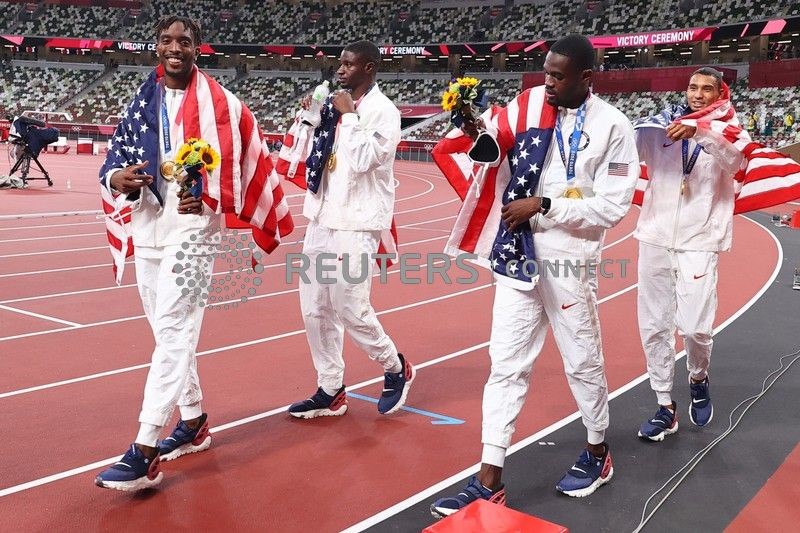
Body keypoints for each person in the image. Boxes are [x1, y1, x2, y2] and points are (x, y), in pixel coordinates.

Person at [430, 34, 639, 517]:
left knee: (582, 360)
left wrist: (543, 206)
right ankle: (490, 477)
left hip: (570, 260)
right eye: (544, 72)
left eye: (557, 76)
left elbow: (612, 206)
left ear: (586, 78)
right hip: (519, 255)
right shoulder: (530, 107)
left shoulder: (613, 127)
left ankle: (596, 449)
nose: (546, 82)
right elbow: (493, 147)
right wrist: (472, 125)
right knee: (505, 364)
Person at [95, 15, 292, 491]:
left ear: (198, 48)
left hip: (194, 230)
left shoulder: (224, 105)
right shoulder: (142, 101)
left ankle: (144, 448)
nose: (174, 47)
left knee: (175, 331)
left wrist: (210, 197)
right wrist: (113, 178)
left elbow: (249, 163)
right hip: (148, 223)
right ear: (157, 47)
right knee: (165, 329)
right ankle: (193, 420)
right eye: (166, 40)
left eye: (184, 41)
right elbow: (115, 159)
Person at [287, 41, 414, 419]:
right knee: (314, 309)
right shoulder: (332, 106)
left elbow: (362, 159)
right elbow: (307, 154)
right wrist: (308, 119)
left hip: (357, 224)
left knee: (351, 308)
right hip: (323, 217)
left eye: (348, 64)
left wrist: (348, 117)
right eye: (339, 64)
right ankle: (330, 388)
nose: (340, 70)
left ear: (369, 68)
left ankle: (395, 367)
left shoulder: (383, 112)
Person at [633, 67, 745, 441]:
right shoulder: (661, 124)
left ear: (719, 94)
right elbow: (629, 151)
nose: (697, 94)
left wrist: (701, 132)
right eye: (693, 87)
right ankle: (665, 404)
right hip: (654, 234)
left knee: (696, 326)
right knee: (654, 325)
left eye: (706, 89)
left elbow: (738, 163)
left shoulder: (730, 129)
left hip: (700, 238)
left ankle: (698, 377)